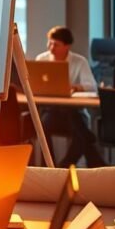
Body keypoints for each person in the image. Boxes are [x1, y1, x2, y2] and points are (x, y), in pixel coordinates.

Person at [35, 26, 106, 168]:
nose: (51, 47)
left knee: (77, 124)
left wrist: (73, 86)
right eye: (49, 42)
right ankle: (51, 165)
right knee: (43, 126)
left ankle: (61, 167)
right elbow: (35, 83)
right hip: (52, 111)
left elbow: (92, 86)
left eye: (56, 44)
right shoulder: (41, 58)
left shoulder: (79, 61)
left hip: (75, 112)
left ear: (67, 46)